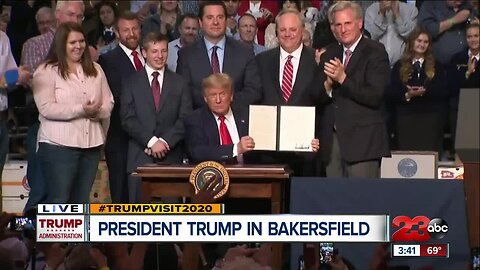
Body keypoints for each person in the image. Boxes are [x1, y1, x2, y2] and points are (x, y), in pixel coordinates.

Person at [33, 22, 114, 203]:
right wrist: (81, 109)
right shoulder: (46, 71)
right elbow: (46, 108)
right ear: (62, 44)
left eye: (82, 41)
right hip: (58, 146)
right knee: (59, 199)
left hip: (91, 146)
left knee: (81, 200)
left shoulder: (96, 69)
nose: (79, 46)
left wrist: (96, 112)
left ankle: (78, 233)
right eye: (72, 42)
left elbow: (109, 102)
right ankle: (55, 233)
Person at [21, 0, 86, 211]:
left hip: (78, 132)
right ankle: (27, 240)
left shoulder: (85, 48)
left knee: (72, 196)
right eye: (71, 15)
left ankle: (68, 243)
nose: (76, 21)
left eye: (80, 17)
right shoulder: (36, 44)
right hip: (43, 126)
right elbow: (30, 81)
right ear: (58, 15)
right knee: (41, 191)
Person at [318, 1, 390, 178]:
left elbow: (374, 96)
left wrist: (343, 79)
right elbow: (317, 99)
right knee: (333, 202)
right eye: (338, 25)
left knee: (362, 202)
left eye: (348, 23)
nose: (343, 29)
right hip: (332, 142)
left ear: (360, 23)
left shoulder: (375, 52)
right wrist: (327, 86)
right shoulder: (329, 54)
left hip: (363, 142)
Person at [120, 32, 192, 203]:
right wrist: (152, 142)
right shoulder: (130, 82)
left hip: (171, 160)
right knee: (140, 220)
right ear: (144, 53)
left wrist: (164, 143)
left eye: (163, 51)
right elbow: (127, 119)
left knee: (170, 219)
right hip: (139, 159)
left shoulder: (180, 83)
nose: (160, 56)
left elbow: (185, 118)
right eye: (154, 51)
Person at [255, 9, 324, 176]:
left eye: (293, 29)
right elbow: (256, 98)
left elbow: (324, 101)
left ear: (302, 30)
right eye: (283, 30)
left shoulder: (318, 60)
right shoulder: (261, 61)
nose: (288, 34)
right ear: (277, 32)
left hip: (306, 151)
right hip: (269, 152)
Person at [176, 0, 261, 109]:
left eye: (220, 17)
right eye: (210, 18)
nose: (215, 22)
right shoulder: (186, 55)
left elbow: (254, 90)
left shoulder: (244, 53)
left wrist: (226, 102)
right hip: (200, 119)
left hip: (236, 118)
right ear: (200, 23)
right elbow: (184, 92)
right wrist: (212, 102)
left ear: (226, 21)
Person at [98, 11, 144, 204]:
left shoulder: (150, 56)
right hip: (121, 141)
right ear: (117, 33)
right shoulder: (108, 61)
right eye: (126, 30)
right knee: (122, 196)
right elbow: (117, 97)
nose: (131, 34)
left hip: (149, 144)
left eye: (134, 29)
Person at [387, 28, 447, 153]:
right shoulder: (399, 66)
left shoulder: (437, 66)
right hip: (406, 119)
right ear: (412, 42)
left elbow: (443, 89)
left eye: (425, 42)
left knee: (428, 158)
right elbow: (392, 92)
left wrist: (425, 91)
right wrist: (407, 94)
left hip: (430, 119)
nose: (422, 44)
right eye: (419, 40)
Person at [184, 73, 255, 164]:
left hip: (249, 173)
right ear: (205, 98)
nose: (218, 100)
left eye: (222, 94)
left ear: (231, 96)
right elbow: (197, 152)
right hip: (214, 174)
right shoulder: (195, 120)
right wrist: (236, 149)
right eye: (213, 95)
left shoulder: (247, 115)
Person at [0, 31, 31, 178]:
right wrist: (12, 77)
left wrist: (19, 77)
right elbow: (5, 79)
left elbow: (8, 82)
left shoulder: (3, 38)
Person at [448, 22, 479, 156]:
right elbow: (451, 85)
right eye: (469, 36)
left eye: (476, 36)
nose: (473, 40)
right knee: (462, 153)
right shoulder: (457, 58)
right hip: (460, 108)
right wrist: (467, 73)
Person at [364, 0, 418, 68]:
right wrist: (381, 14)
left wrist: (397, 15)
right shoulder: (370, 10)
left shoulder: (411, 10)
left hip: (402, 66)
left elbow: (411, 37)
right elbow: (370, 36)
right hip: (376, 65)